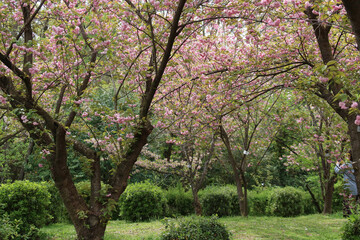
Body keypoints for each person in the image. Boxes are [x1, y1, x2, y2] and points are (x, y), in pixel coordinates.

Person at [335, 152, 359, 217]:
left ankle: (347, 215)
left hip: (348, 186)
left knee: (346, 202)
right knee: (354, 203)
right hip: (356, 187)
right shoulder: (357, 164)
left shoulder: (347, 165)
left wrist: (338, 163)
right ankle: (354, 216)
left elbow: (337, 171)